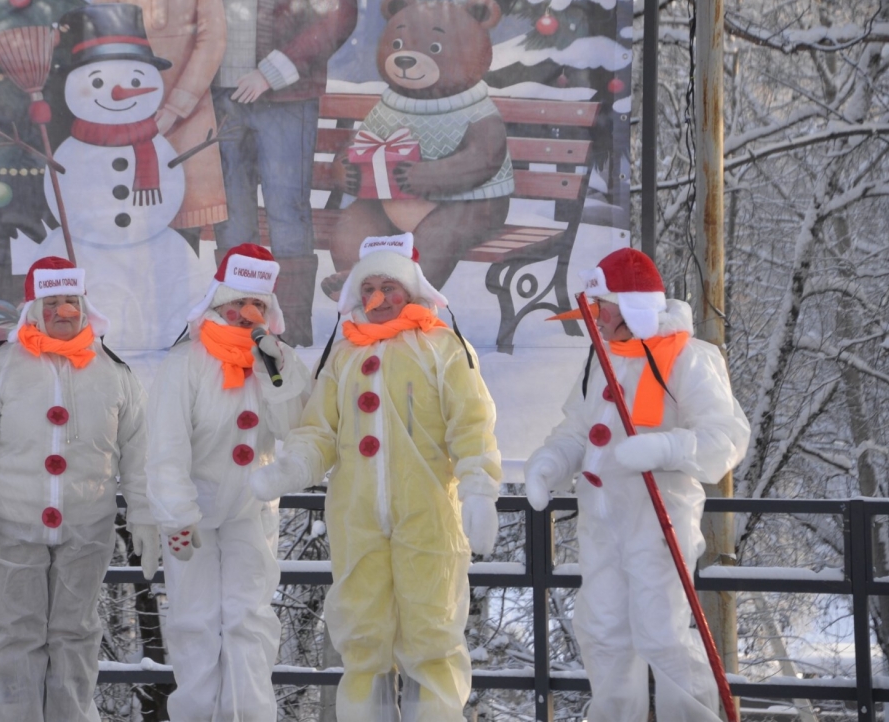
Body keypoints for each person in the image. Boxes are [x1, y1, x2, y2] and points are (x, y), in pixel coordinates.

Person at [251, 232, 500, 722]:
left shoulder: (443, 348)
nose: (379, 298)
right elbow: (318, 431)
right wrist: (291, 468)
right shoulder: (342, 357)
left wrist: (478, 488)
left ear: (411, 290)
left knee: (433, 635)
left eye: (390, 286)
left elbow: (472, 424)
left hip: (427, 518)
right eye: (369, 289)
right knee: (362, 640)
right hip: (357, 520)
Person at [523, 247, 750, 722]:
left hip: (658, 521)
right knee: (602, 632)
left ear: (627, 307)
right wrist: (549, 463)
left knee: (662, 636)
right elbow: (578, 432)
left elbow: (726, 437)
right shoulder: (599, 358)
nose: (593, 320)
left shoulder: (688, 358)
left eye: (599, 309)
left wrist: (665, 449)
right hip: (601, 524)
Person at [0, 256, 156, 722]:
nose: (63, 311)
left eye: (71, 301)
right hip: (14, 524)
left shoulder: (115, 372)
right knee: (17, 632)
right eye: (52, 302)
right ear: (34, 308)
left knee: (76, 632)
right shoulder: (0, 368)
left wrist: (144, 513)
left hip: (87, 527)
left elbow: (140, 452)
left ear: (84, 305)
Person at [146, 243, 311, 722]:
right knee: (194, 621)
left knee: (250, 621)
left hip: (251, 510)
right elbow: (166, 445)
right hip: (192, 514)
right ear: (217, 306)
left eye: (256, 305)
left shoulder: (278, 361)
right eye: (235, 305)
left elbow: (295, 428)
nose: (244, 314)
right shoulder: (185, 363)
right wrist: (175, 514)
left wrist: (276, 369)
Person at [208, 0, 357, 346]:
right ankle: (237, 317)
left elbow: (337, 12)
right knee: (230, 212)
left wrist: (274, 70)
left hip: (285, 99)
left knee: (287, 209)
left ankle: (291, 327)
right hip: (219, 94)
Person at [91, 0, 228, 239]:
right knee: (129, 217)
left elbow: (212, 39)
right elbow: (101, 41)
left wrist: (176, 106)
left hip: (188, 112)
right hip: (127, 113)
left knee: (185, 217)